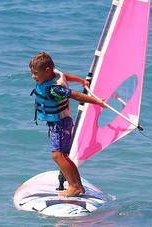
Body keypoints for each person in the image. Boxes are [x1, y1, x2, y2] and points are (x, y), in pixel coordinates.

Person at [29, 52, 106, 197]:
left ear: (47, 71)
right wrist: (81, 80)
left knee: (57, 156)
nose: (33, 76)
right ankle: (78, 186)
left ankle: (74, 186)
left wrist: (98, 102)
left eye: (35, 73)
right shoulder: (54, 74)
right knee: (63, 156)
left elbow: (75, 95)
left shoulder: (53, 89)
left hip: (59, 124)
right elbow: (65, 76)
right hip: (60, 123)